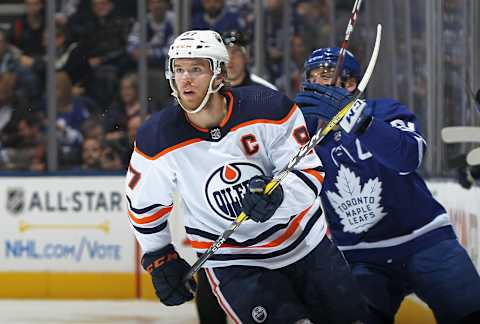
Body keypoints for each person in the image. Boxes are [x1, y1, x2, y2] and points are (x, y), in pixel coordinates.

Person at [125, 30, 367, 324]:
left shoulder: (268, 107)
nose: (185, 78)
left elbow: (310, 173)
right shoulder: (156, 138)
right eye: (179, 69)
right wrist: (159, 257)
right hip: (234, 263)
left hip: (307, 246)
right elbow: (144, 207)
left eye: (196, 69)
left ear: (219, 74)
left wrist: (279, 197)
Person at [295, 47, 480, 324]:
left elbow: (409, 158)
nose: (318, 84)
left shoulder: (384, 110)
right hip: (360, 257)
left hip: (425, 241)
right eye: (313, 78)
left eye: (327, 76)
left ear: (351, 83)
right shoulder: (300, 134)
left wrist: (360, 122)